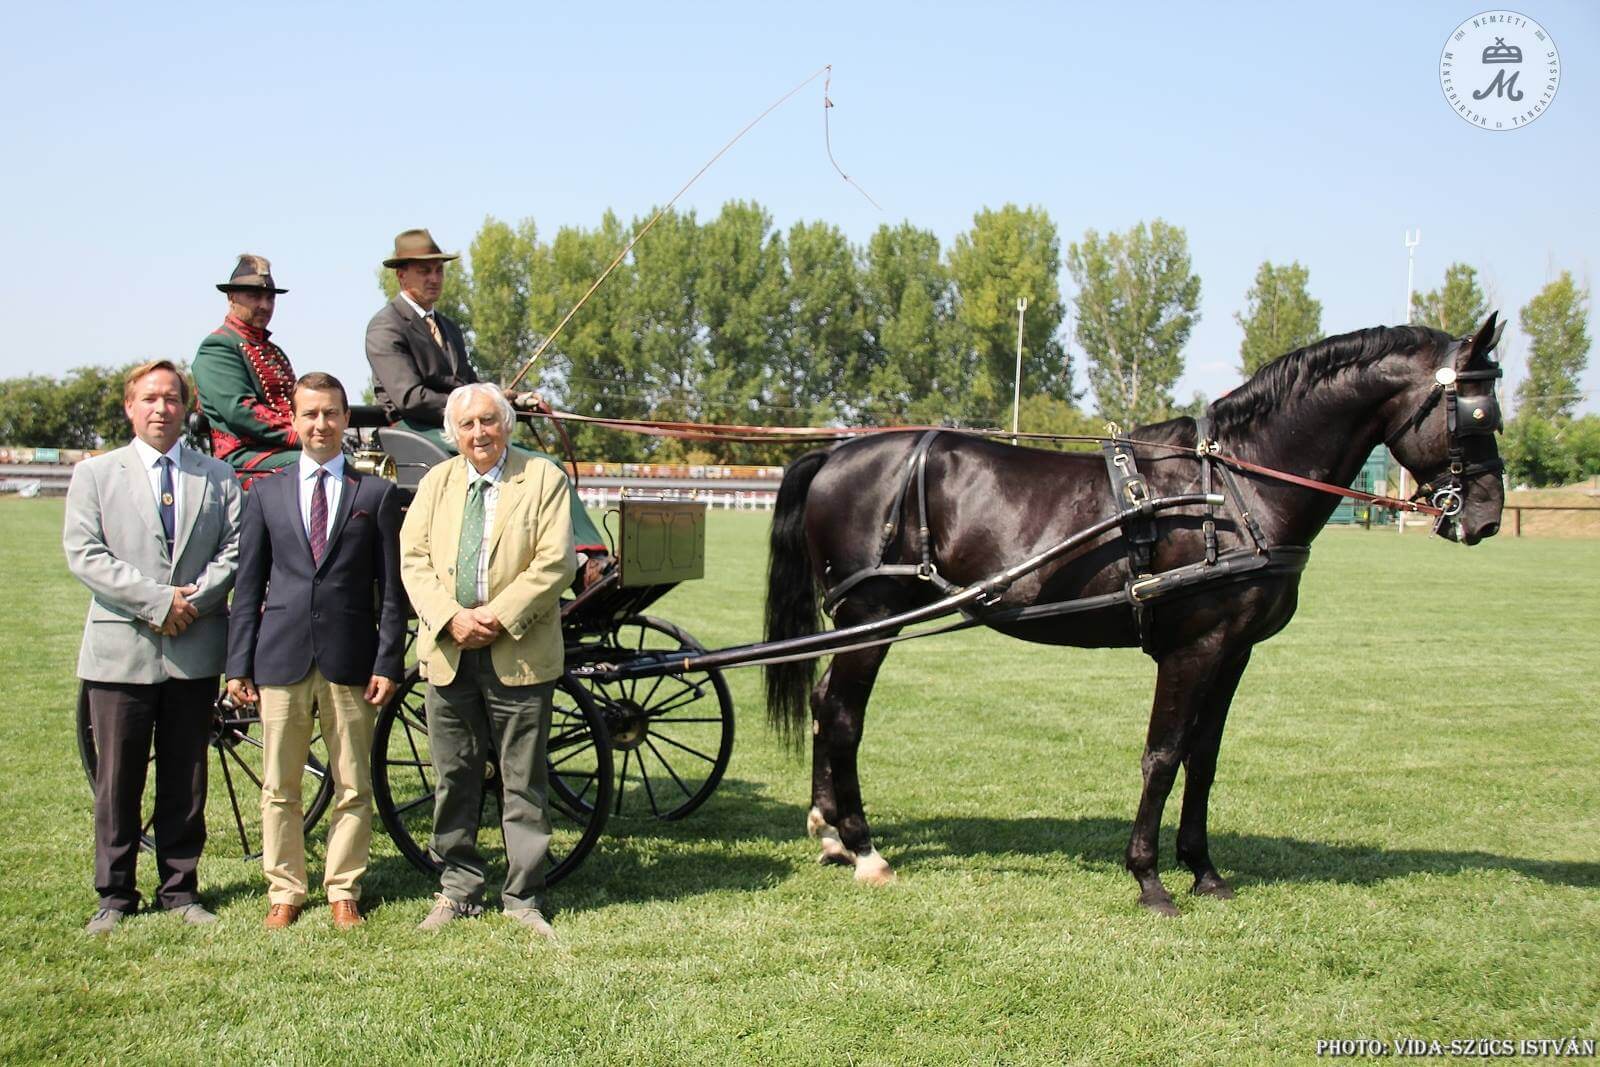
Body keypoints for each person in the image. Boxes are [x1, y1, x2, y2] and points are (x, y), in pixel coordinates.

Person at [63, 360, 242, 934]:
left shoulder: (217, 476)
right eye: (149, 398)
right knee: (118, 779)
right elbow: (86, 554)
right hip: (121, 650)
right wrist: (158, 602)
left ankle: (180, 889)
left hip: (193, 648)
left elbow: (234, 550)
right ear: (130, 406)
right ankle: (115, 895)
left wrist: (194, 601)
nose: (161, 408)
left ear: (187, 407)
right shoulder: (96, 475)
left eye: (171, 398)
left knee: (186, 778)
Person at [224, 372, 406, 930]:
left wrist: (388, 661)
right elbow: (248, 586)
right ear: (295, 421)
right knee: (280, 785)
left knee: (353, 782)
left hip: (350, 661)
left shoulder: (374, 495)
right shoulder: (266, 493)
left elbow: (391, 591)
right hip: (281, 658)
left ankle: (343, 888)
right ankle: (285, 889)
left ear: (346, 419)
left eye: (330, 413)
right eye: (310, 414)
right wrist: (237, 665)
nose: (321, 424)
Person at [399, 382, 576, 938]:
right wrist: (450, 618)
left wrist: (495, 617)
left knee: (523, 780)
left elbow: (556, 561)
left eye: (488, 421)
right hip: (449, 652)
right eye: (468, 424)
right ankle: (458, 890)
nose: (479, 433)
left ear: (506, 425)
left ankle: (523, 898)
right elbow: (413, 559)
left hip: (518, 652)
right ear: (453, 433)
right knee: (454, 776)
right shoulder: (437, 483)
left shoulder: (542, 478)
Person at [365, 228, 608, 563]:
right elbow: (410, 397)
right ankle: (582, 559)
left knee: (548, 466)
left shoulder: (448, 327)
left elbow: (468, 383)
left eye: (439, 270)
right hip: (414, 430)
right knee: (539, 467)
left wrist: (502, 398)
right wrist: (468, 410)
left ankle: (582, 556)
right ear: (401, 275)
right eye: (424, 271)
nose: (434, 278)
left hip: (459, 426)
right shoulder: (386, 326)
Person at [192, 254, 300, 484]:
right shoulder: (218, 347)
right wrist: (302, 435)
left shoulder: (274, 352)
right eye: (254, 296)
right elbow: (241, 411)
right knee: (326, 465)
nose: (265, 305)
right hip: (242, 459)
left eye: (270, 298)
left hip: (284, 450)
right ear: (232, 297)